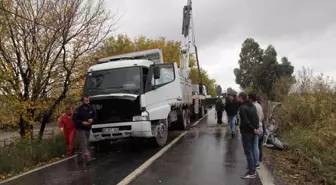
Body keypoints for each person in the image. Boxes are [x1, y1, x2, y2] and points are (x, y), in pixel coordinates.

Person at [237, 92, 260, 179]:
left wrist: (253, 129)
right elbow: (256, 118)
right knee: (252, 150)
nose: (237, 99)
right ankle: (253, 168)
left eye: (238, 98)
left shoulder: (242, 108)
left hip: (247, 133)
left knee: (248, 152)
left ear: (241, 98)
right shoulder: (253, 106)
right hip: (253, 132)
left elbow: (245, 121)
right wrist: (256, 128)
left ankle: (251, 172)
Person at [73, 95, 96, 162]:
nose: (88, 102)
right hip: (80, 128)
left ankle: (79, 154)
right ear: (83, 102)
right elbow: (74, 119)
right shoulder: (78, 110)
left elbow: (95, 115)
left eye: (88, 100)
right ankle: (87, 157)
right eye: (86, 101)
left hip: (88, 128)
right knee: (84, 141)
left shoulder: (91, 108)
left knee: (86, 142)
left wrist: (92, 119)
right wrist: (82, 122)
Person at [248, 92, 264, 169]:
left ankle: (256, 163)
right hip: (260, 127)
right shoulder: (259, 106)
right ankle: (258, 160)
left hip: (255, 128)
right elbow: (262, 117)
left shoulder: (252, 106)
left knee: (254, 146)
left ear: (250, 99)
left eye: (248, 98)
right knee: (257, 145)